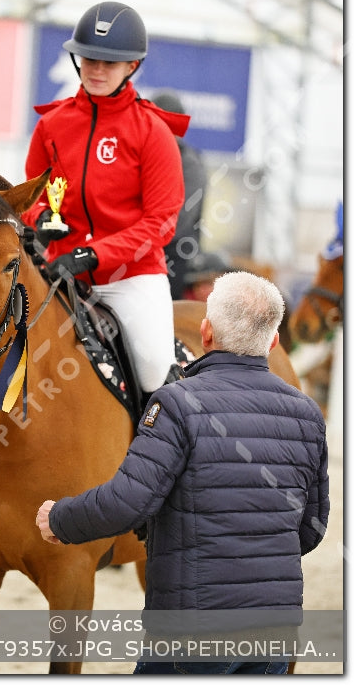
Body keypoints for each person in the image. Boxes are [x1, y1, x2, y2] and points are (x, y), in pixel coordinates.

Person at [36, 271, 329, 675]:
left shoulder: (176, 403)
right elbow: (311, 528)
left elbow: (128, 502)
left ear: (205, 333)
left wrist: (59, 518)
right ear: (274, 340)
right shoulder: (308, 414)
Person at [23, 1, 190, 400]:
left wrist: (95, 254)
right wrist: (41, 216)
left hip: (131, 279)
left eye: (109, 63)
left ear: (132, 66)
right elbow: (30, 194)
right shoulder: (51, 125)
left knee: (155, 374)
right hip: (60, 273)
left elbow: (161, 223)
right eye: (90, 59)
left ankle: (165, 438)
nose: (97, 70)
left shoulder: (152, 131)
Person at [151, 90, 208, 300]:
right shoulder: (145, 156)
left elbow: (179, 220)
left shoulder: (189, 164)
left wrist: (137, 242)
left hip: (174, 256)